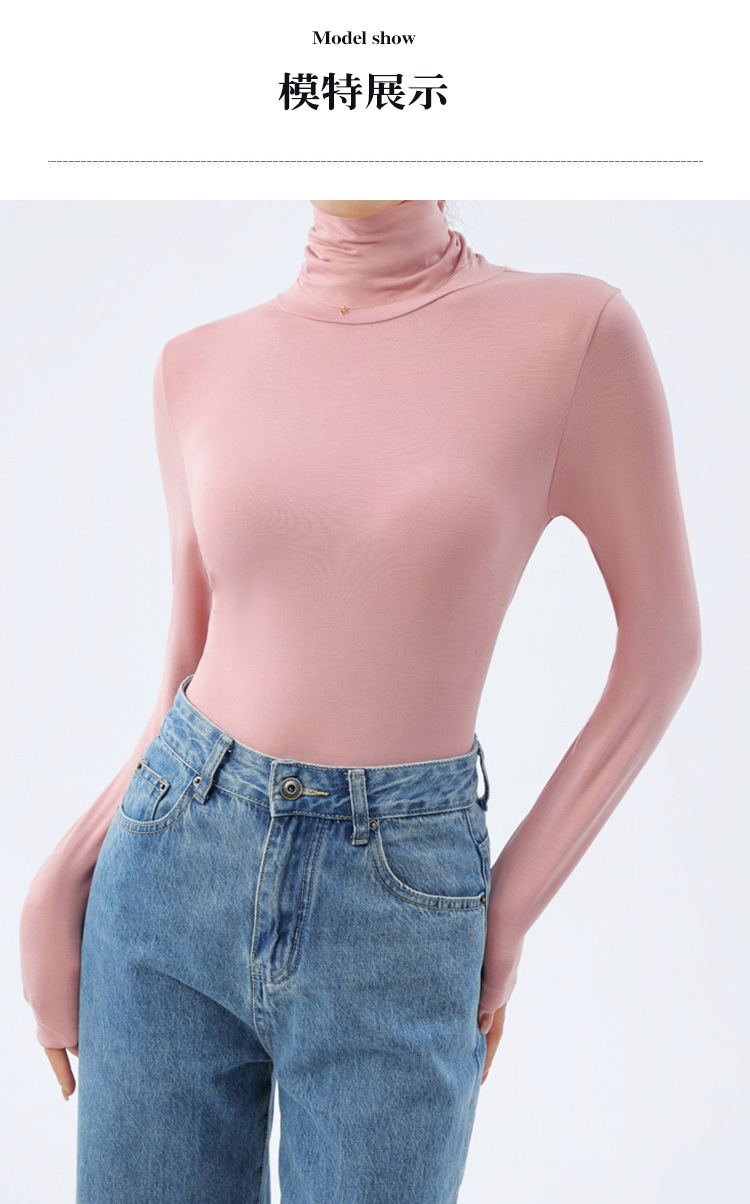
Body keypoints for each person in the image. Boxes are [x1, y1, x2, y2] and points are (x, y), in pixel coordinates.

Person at [19, 198, 701, 1203]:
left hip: (400, 906)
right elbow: (184, 680)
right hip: (167, 881)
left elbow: (665, 646)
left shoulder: (575, 336)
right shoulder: (193, 367)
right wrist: (61, 877)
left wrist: (504, 916)